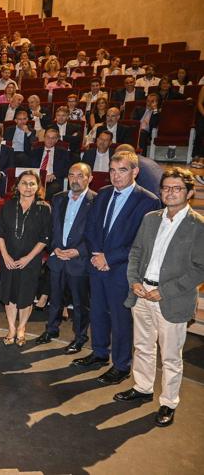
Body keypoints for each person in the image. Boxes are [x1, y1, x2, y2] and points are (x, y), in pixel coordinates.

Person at [115, 168, 204, 427]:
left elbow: (199, 268)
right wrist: (133, 281)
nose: (170, 192)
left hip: (171, 300)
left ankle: (168, 402)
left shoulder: (198, 226)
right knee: (142, 347)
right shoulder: (150, 218)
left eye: (177, 188)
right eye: (166, 188)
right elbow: (135, 253)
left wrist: (164, 291)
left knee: (171, 356)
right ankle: (142, 387)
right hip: (142, 294)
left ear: (189, 193)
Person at [74, 151, 160, 385]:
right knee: (98, 312)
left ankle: (121, 366)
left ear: (135, 172)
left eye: (122, 170)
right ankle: (99, 352)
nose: (116, 175)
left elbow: (141, 242)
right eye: (112, 170)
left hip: (122, 270)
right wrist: (96, 255)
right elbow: (91, 228)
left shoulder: (148, 201)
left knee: (121, 319)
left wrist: (108, 259)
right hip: (97, 264)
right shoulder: (102, 194)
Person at [35, 163, 96, 353]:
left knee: (79, 303)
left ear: (89, 178)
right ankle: (51, 330)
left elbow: (97, 234)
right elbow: (52, 228)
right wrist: (55, 248)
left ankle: (79, 337)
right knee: (55, 298)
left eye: (80, 175)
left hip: (79, 261)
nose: (75, 179)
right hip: (57, 257)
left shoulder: (96, 201)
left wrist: (79, 251)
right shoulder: (58, 198)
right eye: (71, 175)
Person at [0, 170, 52, 347]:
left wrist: (28, 258)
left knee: (26, 296)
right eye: (24, 183)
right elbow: (0, 232)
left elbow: (45, 238)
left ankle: (22, 328)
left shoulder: (44, 208)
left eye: (32, 183)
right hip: (9, 259)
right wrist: (5, 256)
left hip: (31, 260)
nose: (28, 187)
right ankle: (11, 328)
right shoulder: (8, 205)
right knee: (10, 294)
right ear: (17, 186)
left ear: (38, 187)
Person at [30, 128, 71, 201]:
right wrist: (40, 176)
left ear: (56, 140)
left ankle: (41, 204)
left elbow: (67, 169)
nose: (50, 140)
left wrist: (54, 175)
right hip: (37, 178)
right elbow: (30, 167)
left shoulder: (63, 153)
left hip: (54, 180)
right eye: (48, 137)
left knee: (51, 189)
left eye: (53, 138)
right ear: (44, 137)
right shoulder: (35, 151)